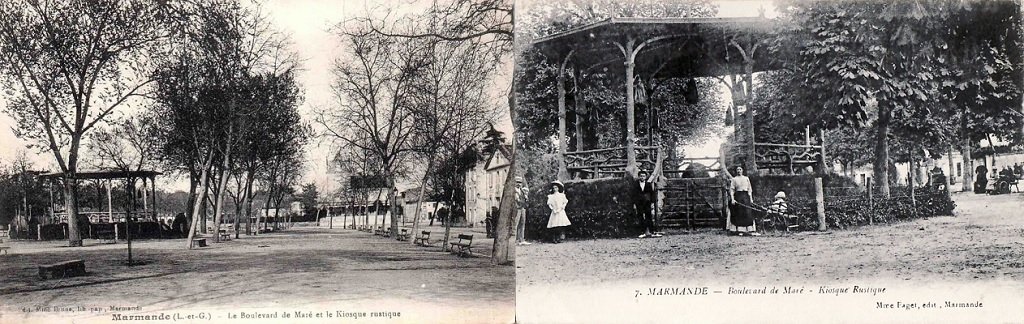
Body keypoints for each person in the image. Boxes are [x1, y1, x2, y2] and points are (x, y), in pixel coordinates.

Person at [728, 166, 760, 236]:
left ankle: (750, 230)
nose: (739, 171)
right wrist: (733, 199)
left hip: (746, 196)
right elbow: (732, 190)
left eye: (740, 169)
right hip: (738, 196)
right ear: (736, 171)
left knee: (748, 212)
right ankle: (740, 231)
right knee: (739, 212)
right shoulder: (734, 179)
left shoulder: (746, 178)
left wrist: (751, 199)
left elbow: (749, 189)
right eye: (737, 169)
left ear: (742, 170)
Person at [632, 170, 662, 238]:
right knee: (640, 217)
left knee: (649, 216)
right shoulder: (636, 184)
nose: (642, 177)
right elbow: (633, 195)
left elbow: (652, 194)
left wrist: (652, 202)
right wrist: (634, 203)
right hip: (639, 203)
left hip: (647, 203)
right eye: (641, 176)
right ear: (639, 177)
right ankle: (642, 232)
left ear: (645, 177)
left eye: (643, 176)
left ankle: (652, 232)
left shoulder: (648, 184)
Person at [514, 177, 531, 245]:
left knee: (522, 223)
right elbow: (517, 200)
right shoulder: (514, 191)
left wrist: (526, 198)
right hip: (517, 208)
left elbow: (525, 199)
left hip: (522, 208)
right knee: (516, 224)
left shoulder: (522, 191)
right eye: (517, 182)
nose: (519, 184)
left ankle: (521, 239)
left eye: (520, 182)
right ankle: (514, 240)